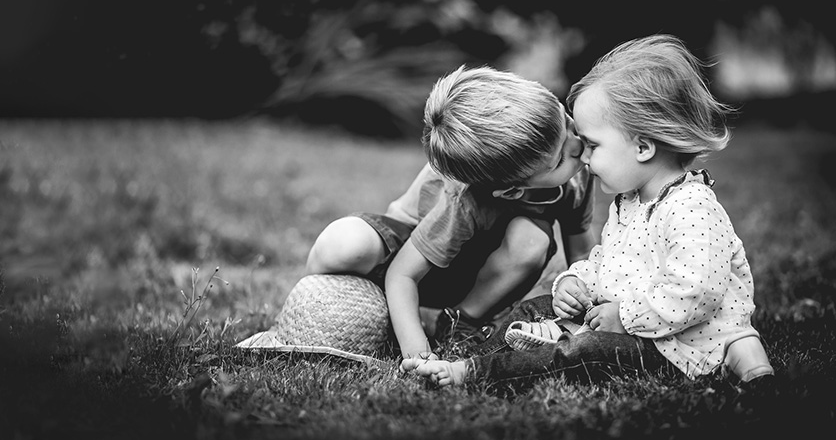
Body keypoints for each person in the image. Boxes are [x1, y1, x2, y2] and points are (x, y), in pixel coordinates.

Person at [402, 34, 774, 386]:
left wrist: (624, 319)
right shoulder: (631, 202)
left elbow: (696, 292)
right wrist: (574, 284)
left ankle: (473, 370)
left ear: (642, 148)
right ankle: (481, 350)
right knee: (536, 307)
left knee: (581, 351)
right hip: (621, 316)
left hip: (675, 345)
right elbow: (607, 263)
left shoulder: (691, 208)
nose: (584, 154)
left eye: (594, 144)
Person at [306, 65, 597, 361]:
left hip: (473, 269)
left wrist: (587, 300)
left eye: (567, 122)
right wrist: (417, 352)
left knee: (531, 240)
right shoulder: (462, 200)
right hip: (412, 258)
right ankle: (342, 295)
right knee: (344, 244)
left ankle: (459, 322)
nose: (580, 145)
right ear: (512, 192)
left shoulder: (578, 173)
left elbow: (582, 254)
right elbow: (403, 274)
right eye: (561, 157)